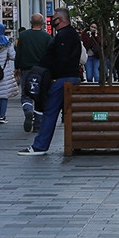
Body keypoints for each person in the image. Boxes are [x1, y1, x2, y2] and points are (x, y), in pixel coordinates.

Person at [18, 8, 81, 155]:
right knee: (54, 111)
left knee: (50, 111)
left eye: (55, 17)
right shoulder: (68, 35)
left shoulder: (64, 36)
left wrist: (51, 76)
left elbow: (61, 59)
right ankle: (41, 144)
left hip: (62, 79)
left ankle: (40, 145)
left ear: (60, 19)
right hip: (67, 77)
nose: (52, 20)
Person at [14, 14, 53, 132]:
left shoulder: (23, 36)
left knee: (26, 94)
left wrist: (17, 68)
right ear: (42, 23)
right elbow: (50, 55)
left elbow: (18, 53)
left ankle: (28, 110)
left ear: (31, 22)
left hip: (26, 69)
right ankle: (37, 124)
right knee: (40, 96)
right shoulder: (47, 37)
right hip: (42, 70)